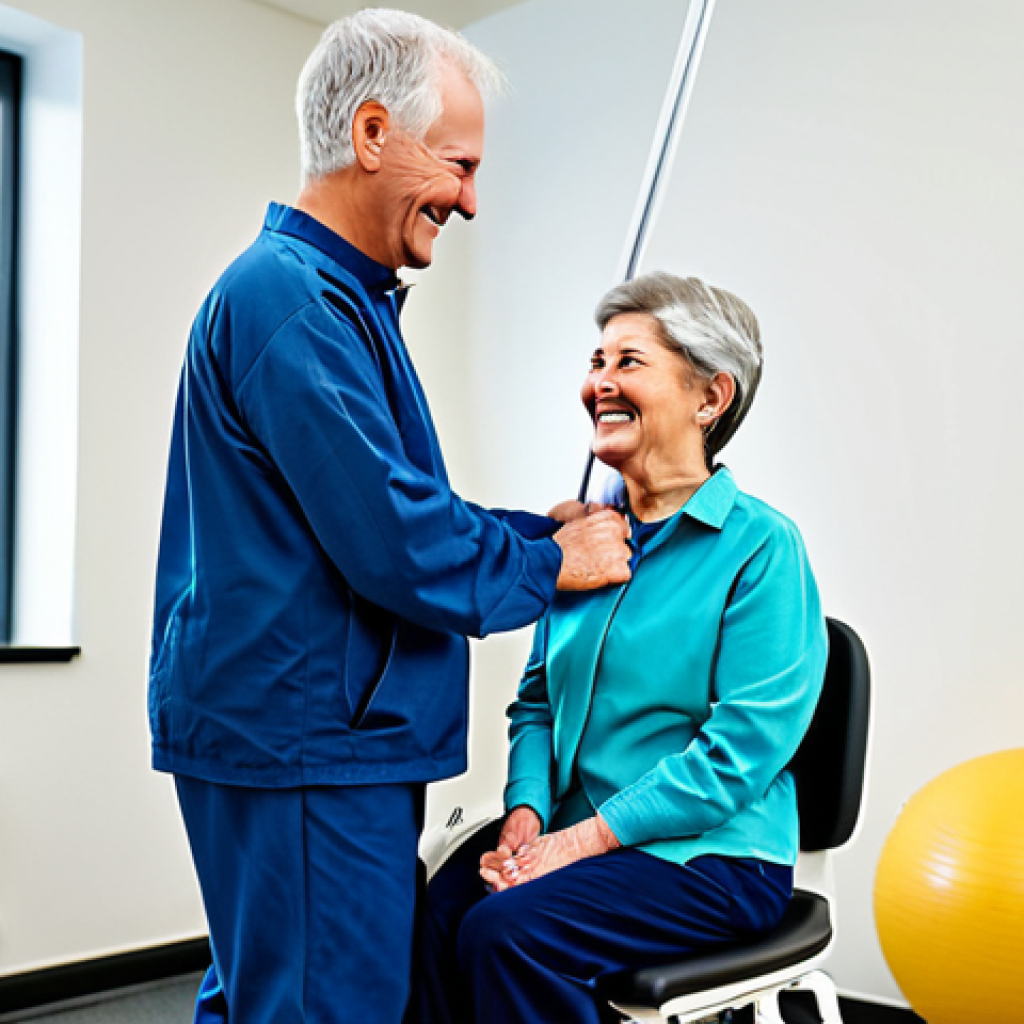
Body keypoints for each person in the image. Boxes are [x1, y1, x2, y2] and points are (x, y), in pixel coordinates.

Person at [147, 10, 632, 1024]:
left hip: (302, 729)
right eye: (458, 165)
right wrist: (552, 568)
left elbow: (384, 504)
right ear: (372, 134)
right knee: (331, 1006)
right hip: (310, 738)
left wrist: (536, 532)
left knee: (269, 995)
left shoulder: (335, 300)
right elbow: (395, 541)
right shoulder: (294, 305)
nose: (468, 199)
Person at [410, 271, 829, 1024]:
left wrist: (581, 844)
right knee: (432, 919)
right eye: (596, 362)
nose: (598, 382)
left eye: (627, 362)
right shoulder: (582, 543)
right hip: (575, 836)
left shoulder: (763, 550)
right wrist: (527, 813)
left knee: (511, 936)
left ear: (710, 397)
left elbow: (736, 756)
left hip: (710, 855)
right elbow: (536, 701)